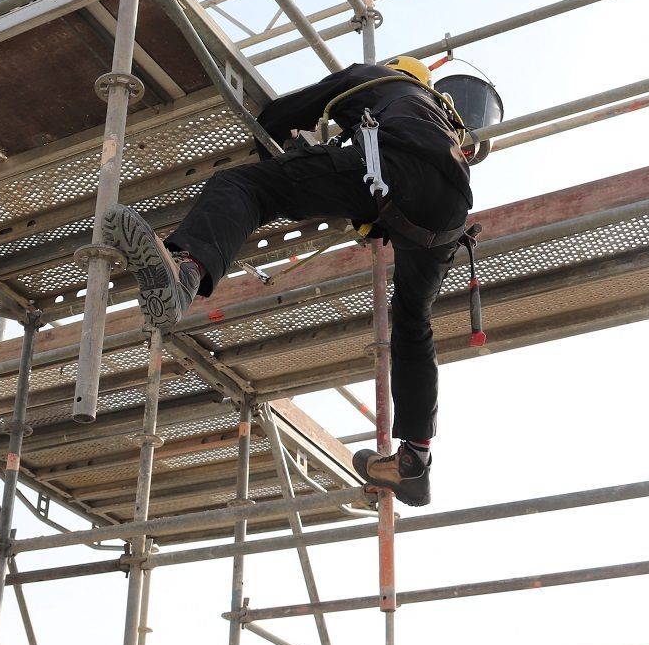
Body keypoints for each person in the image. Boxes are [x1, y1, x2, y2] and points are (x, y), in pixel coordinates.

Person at [104, 57, 475, 508]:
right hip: (450, 215)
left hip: (388, 167)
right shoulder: (444, 122)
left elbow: (281, 115)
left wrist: (287, 173)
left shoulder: (376, 78)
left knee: (245, 188)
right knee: (413, 321)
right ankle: (416, 461)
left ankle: (186, 272)